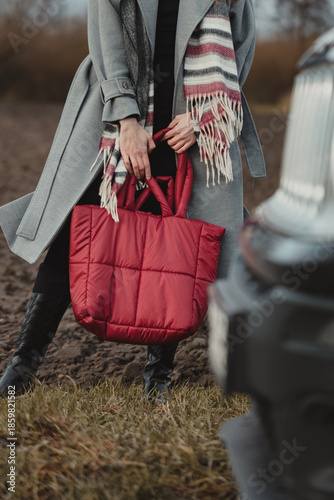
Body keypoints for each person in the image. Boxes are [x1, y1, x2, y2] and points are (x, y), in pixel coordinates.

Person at [0, 0, 265, 400]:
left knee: (180, 243)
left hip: (187, 123)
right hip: (119, 113)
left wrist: (206, 115)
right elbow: (106, 42)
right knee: (77, 228)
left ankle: (158, 373)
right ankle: (23, 363)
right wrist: (125, 119)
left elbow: (241, 46)